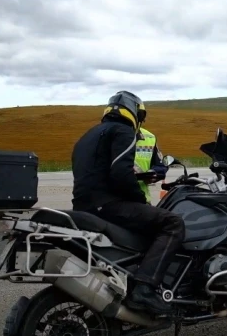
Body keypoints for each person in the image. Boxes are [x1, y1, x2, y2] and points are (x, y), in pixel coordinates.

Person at [70, 90, 185, 315]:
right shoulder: (123, 131)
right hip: (109, 204)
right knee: (173, 223)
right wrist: (139, 199)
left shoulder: (88, 135)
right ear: (135, 112)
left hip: (84, 206)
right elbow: (120, 174)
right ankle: (144, 289)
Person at [134, 127, 168, 204]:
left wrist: (153, 173)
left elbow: (161, 166)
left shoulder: (149, 137)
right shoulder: (104, 134)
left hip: (141, 201)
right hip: (110, 202)